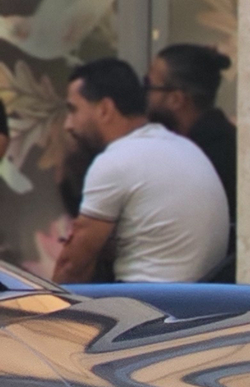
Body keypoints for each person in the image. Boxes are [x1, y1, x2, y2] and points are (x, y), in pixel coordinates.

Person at [49, 57, 228, 285]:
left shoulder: (116, 161)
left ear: (105, 109)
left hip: (144, 298)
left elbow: (73, 266)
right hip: (194, 298)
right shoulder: (183, 147)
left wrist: (41, 307)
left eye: (73, 110)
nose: (68, 125)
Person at [148, 44, 239, 229]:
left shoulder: (205, 155)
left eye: (148, 86)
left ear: (176, 99)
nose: (144, 95)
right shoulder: (218, 140)